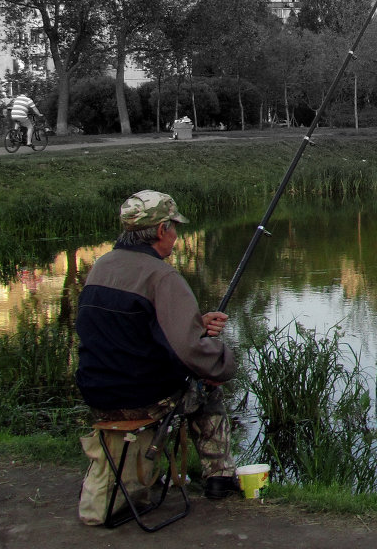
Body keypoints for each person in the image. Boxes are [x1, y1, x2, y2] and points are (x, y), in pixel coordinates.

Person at [75, 190, 241, 523]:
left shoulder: (101, 267)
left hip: (96, 395)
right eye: (175, 228)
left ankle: (151, 473)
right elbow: (192, 352)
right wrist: (223, 363)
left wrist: (194, 323)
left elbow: (130, 332)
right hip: (141, 399)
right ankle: (219, 479)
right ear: (162, 229)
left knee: (193, 375)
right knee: (207, 386)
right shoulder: (162, 276)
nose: (177, 237)